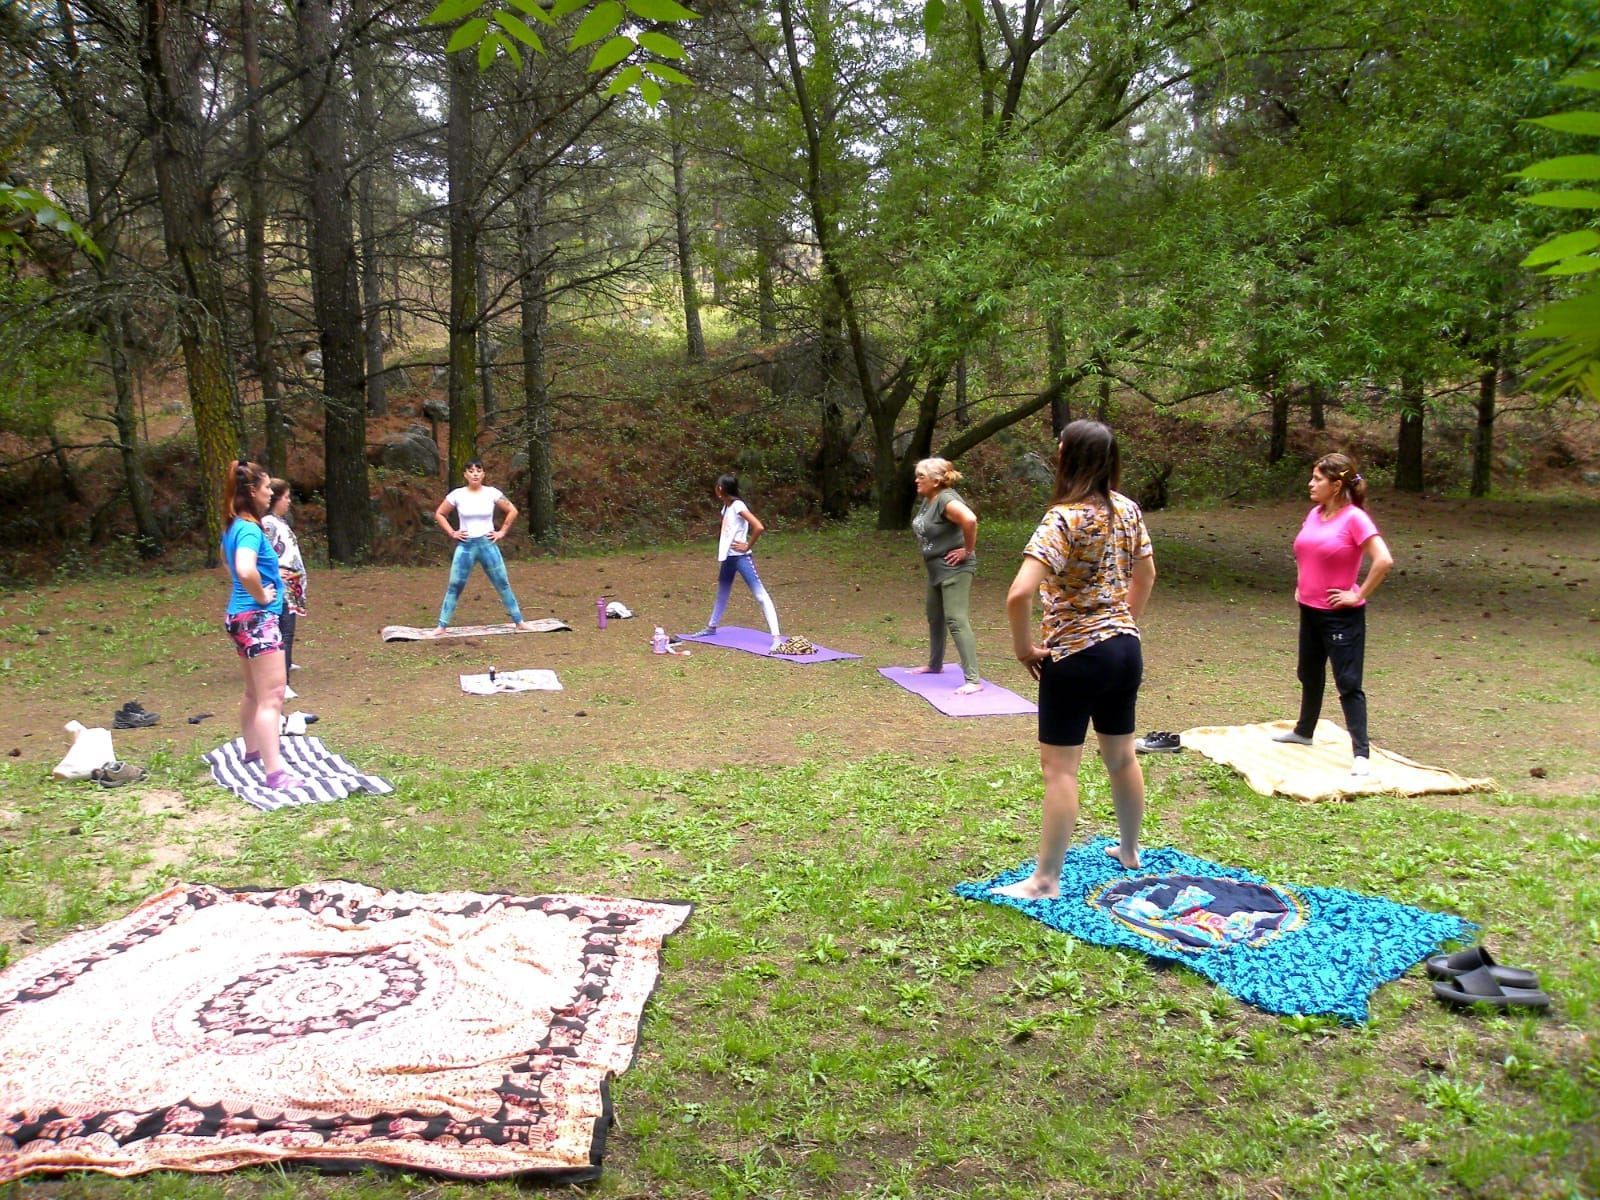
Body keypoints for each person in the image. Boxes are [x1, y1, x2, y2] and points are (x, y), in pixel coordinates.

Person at [997, 421, 1156, 899]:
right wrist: (1122, 622)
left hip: (1076, 655)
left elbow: (1019, 593)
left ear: (1069, 456)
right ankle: (1129, 850)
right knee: (1121, 754)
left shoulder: (1062, 518)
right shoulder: (1128, 510)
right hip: (1125, 649)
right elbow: (1146, 574)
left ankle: (1045, 880)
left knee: (1061, 770)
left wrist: (1024, 648)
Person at [1273, 452, 1394, 776]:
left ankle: (1361, 754)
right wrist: (1303, 584)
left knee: (1348, 681)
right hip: (1309, 609)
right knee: (1308, 673)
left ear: (1336, 484)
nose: (1310, 484)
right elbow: (1305, 550)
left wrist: (1357, 594)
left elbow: (1383, 560)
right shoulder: (1315, 513)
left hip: (1340, 615)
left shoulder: (1355, 518)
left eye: (1317, 479)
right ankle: (1303, 731)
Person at [221, 460, 303, 791]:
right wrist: (262, 595)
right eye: (267, 487)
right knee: (273, 695)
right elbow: (243, 568)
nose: (271, 492)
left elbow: (227, 563)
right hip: (256, 618)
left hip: (240, 617)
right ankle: (276, 773)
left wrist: (253, 590)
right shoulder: (250, 529)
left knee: (254, 692)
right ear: (252, 491)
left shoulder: (234, 526)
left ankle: (253, 751)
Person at [426, 459, 539, 637]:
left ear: (483, 474)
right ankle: (441, 626)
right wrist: (452, 532)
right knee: (455, 584)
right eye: (471, 471)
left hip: (487, 544)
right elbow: (440, 513)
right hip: (466, 545)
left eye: (478, 470)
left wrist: (501, 532)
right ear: (465, 475)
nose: (475, 474)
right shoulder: (457, 495)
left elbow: (512, 510)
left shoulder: (491, 493)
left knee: (502, 582)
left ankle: (519, 622)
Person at [909, 457, 982, 694]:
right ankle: (935, 664)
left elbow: (970, 519)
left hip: (955, 569)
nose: (916, 480)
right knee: (934, 615)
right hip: (936, 569)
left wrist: (967, 550)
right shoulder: (930, 499)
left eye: (921, 476)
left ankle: (973, 680)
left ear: (937, 480)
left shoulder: (946, 499)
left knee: (955, 619)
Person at [692, 473, 783, 652]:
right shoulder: (726, 508)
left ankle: (776, 637)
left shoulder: (738, 506)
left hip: (741, 558)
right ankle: (711, 627)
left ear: (721, 490)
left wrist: (747, 544)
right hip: (729, 558)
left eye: (717, 486)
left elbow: (759, 526)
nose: (715, 489)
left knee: (760, 595)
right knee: (722, 593)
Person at [262, 479, 306, 698]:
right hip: (280, 585)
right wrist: (275, 571)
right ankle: (282, 680)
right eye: (286, 497)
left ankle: (285, 664)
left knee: (287, 628)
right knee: (284, 630)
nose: (289, 502)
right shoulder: (268, 523)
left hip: (290, 583)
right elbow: (262, 553)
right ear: (275, 499)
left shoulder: (279, 521)